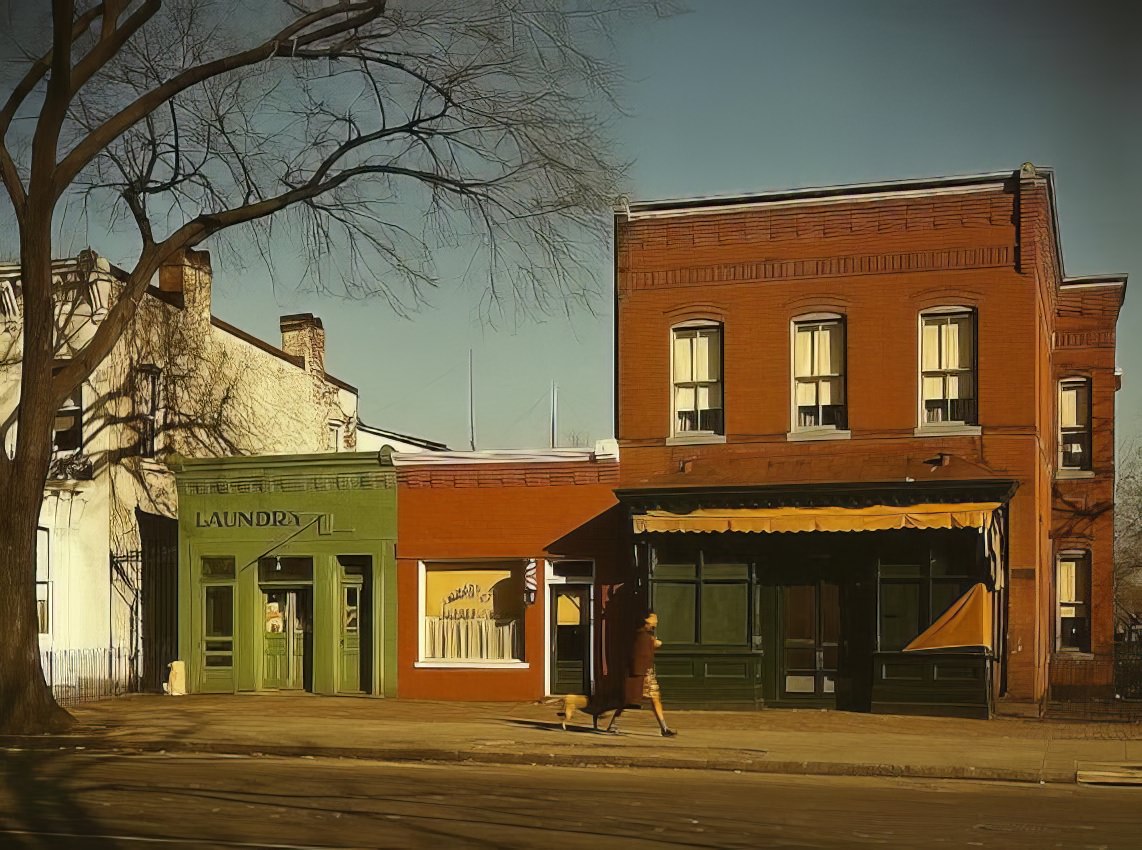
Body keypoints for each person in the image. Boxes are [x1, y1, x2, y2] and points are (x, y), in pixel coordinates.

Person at [607, 610, 677, 737]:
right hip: (640, 674)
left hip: (646, 672)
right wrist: (653, 644)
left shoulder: (645, 635)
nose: (656, 621)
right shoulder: (640, 634)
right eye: (654, 618)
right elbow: (638, 653)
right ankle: (613, 724)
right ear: (646, 620)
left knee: (655, 698)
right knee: (628, 700)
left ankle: (664, 727)